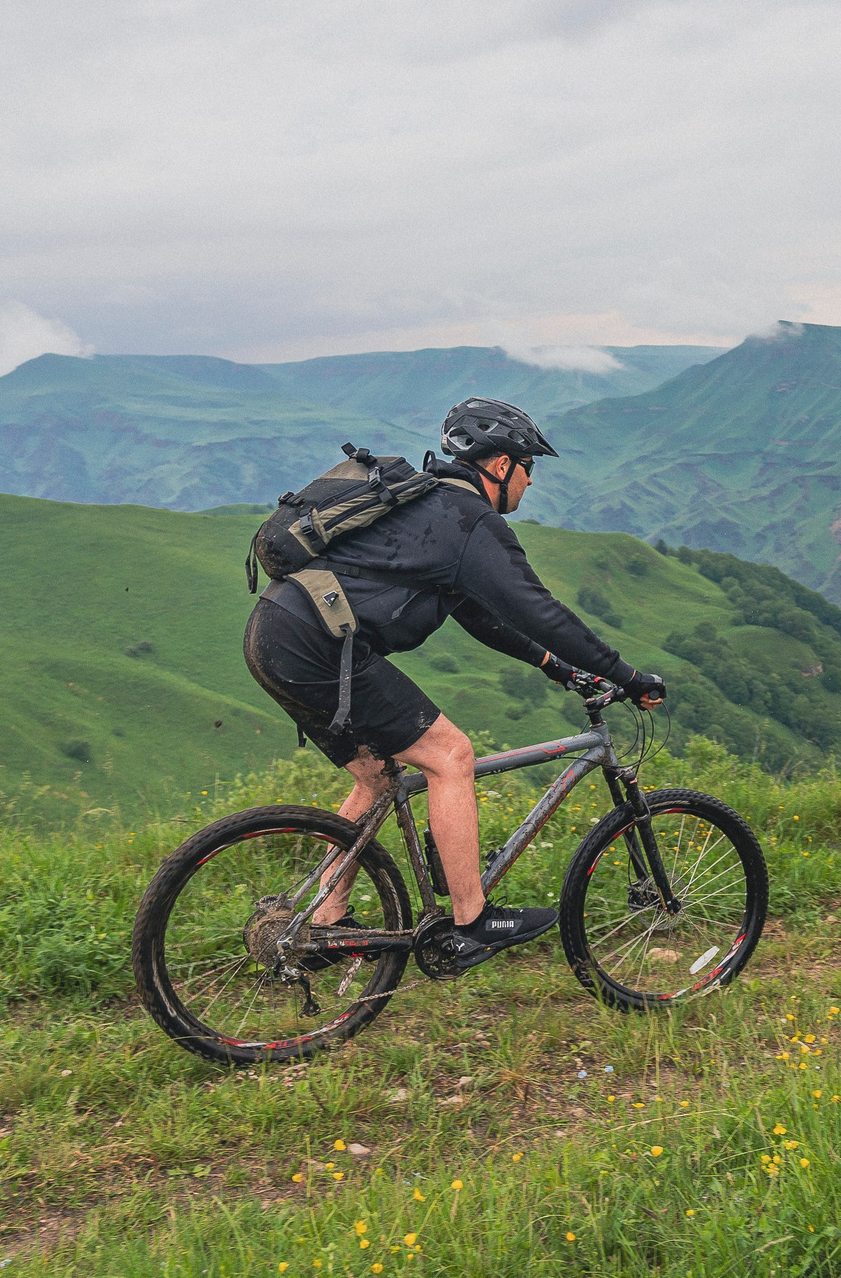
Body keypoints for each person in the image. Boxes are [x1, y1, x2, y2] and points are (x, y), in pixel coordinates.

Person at [242, 397, 665, 977]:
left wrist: (555, 667)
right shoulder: (469, 522)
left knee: (376, 775)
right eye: (527, 466)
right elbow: (538, 609)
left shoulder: (430, 507)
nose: (530, 479)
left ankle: (322, 918)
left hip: (276, 632)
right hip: (318, 646)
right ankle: (472, 920)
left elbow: (483, 616)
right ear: (499, 466)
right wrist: (626, 676)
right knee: (449, 755)